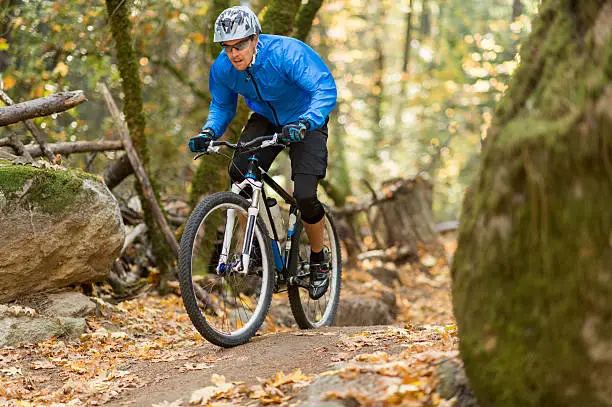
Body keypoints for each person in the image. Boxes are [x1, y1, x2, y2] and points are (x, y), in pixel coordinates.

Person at [188, 6, 337, 300]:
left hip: (306, 118)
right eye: (227, 47)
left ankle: (319, 259)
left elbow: (324, 88)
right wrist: (208, 132)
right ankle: (256, 244)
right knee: (240, 174)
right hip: (267, 119)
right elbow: (222, 106)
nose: (234, 53)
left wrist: (306, 121)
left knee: (305, 194)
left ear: (255, 38)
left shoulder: (286, 53)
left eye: (240, 44)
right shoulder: (223, 68)